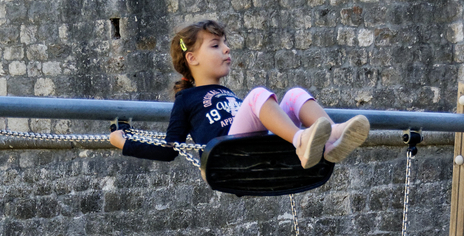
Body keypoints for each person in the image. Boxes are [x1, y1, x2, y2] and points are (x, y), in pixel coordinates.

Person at [109, 19, 369, 168]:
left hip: (257, 144)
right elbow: (169, 149)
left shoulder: (227, 93)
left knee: (295, 95)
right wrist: (124, 142)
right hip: (229, 154)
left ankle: (333, 139)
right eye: (215, 45)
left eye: (225, 43)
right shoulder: (186, 100)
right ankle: (301, 140)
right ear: (192, 59)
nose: (226, 49)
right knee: (256, 96)